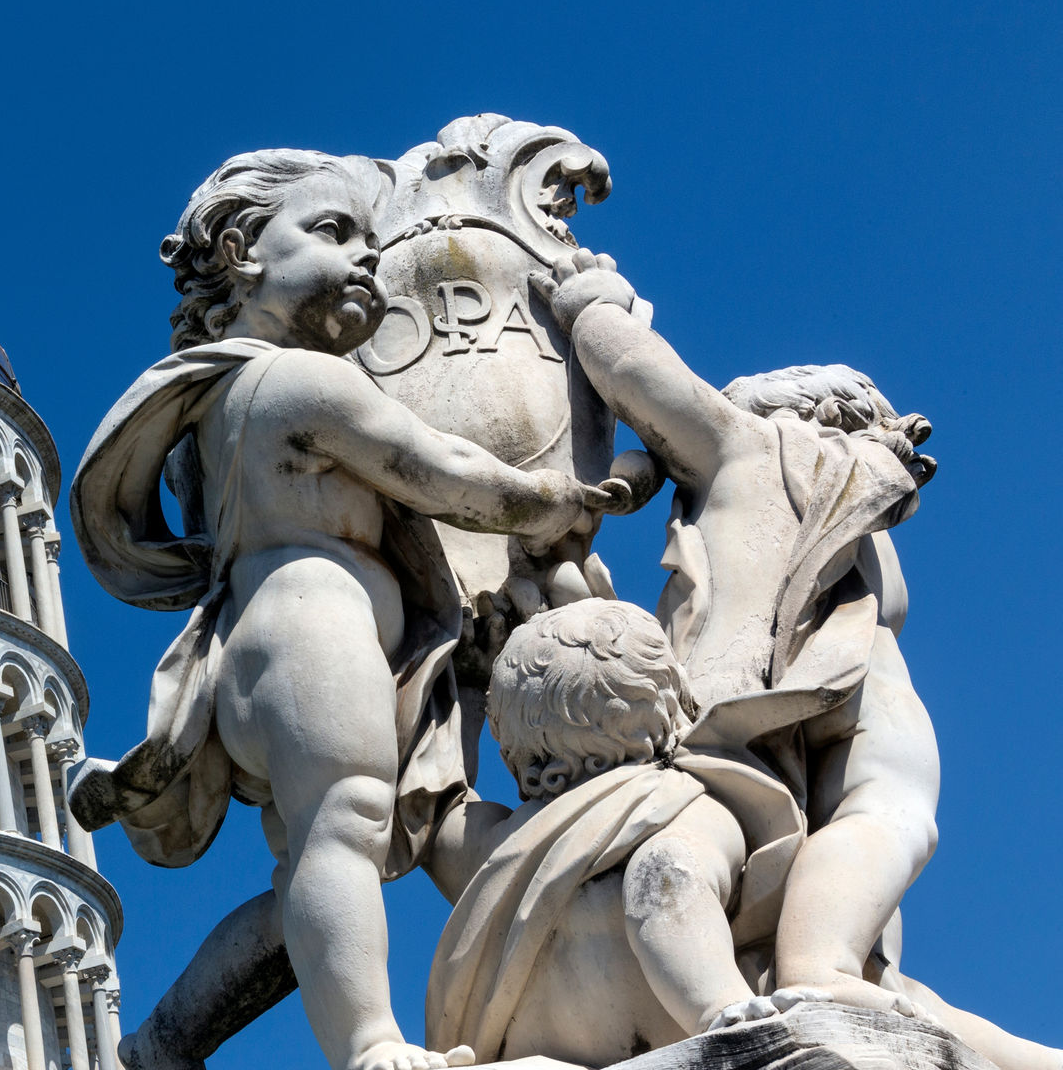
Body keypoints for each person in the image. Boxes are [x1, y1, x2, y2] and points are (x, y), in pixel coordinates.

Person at [70, 149, 606, 1070]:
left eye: (371, 237)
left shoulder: (221, 400)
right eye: (332, 232)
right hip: (310, 621)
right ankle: (369, 1046)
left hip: (295, 636)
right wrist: (555, 499)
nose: (366, 257)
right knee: (345, 831)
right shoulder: (298, 381)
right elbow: (442, 473)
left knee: (314, 879)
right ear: (241, 251)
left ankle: (163, 1043)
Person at [534, 250, 941, 1018]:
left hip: (744, 700)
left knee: (856, 820)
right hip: (873, 703)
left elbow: (636, 372)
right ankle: (826, 956)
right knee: (886, 813)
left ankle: (817, 964)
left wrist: (593, 301)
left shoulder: (748, 447)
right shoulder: (866, 506)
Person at [422, 600, 1063, 1070]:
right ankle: (723, 1012)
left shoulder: (502, 842)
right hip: (690, 1015)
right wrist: (721, 1006)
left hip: (538, 1042)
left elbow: (438, 810)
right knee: (669, 875)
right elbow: (668, 880)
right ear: (671, 711)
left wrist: (464, 685)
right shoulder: (679, 799)